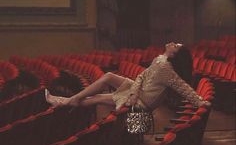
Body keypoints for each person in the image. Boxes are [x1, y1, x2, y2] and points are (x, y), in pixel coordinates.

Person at [45, 42, 211, 111]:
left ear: (175, 54)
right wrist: (133, 91)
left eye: (177, 45)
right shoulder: (161, 60)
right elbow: (141, 77)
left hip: (143, 100)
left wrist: (200, 101)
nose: (173, 43)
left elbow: (184, 88)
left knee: (98, 98)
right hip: (138, 91)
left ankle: (64, 102)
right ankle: (69, 100)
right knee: (109, 75)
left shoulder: (166, 69)